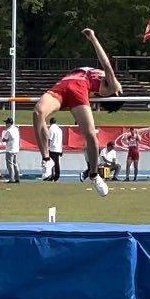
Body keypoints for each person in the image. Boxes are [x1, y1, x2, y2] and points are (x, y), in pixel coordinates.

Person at [32, 28, 123, 197]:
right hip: (63, 85)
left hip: (79, 89)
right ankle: (46, 160)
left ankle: (94, 176)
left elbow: (106, 63)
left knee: (90, 135)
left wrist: (93, 39)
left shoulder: (113, 86)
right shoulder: (103, 85)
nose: (120, 85)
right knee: (38, 113)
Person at [1, 117, 21, 184]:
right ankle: (17, 178)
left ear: (9, 123)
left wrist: (4, 139)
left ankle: (12, 178)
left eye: (6, 123)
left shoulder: (8, 131)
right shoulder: (16, 129)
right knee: (15, 164)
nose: (5, 124)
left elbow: (4, 139)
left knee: (10, 165)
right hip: (16, 149)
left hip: (10, 149)